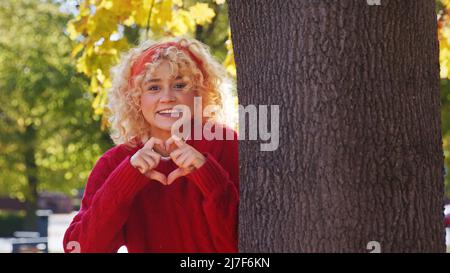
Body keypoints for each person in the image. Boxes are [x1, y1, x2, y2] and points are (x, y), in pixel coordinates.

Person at [63, 37, 239, 253]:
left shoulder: (226, 145)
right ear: (136, 98)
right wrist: (125, 179)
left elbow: (245, 244)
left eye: (179, 85)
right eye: (154, 87)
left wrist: (207, 174)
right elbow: (80, 249)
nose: (167, 97)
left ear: (200, 92)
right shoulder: (115, 163)